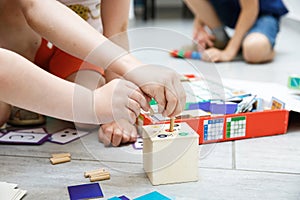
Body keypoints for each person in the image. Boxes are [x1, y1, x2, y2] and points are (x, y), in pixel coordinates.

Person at [0, 0, 186, 146]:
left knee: (86, 117)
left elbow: (116, 32)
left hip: (76, 48)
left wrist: (119, 113)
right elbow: (35, 6)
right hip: (18, 43)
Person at [184, 0, 288, 63]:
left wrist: (229, 53)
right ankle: (222, 39)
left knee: (254, 50)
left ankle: (264, 49)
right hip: (233, 10)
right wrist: (199, 25)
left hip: (262, 14)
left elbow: (250, 9)